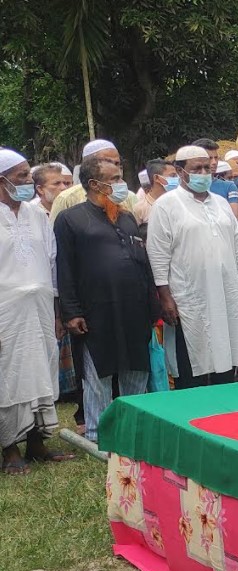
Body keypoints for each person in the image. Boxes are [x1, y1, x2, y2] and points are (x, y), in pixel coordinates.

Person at [55, 157, 159, 441]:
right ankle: (97, 434)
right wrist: (71, 312)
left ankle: (134, 428)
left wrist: (153, 306)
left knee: (136, 370)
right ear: (93, 184)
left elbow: (142, 263)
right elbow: (64, 268)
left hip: (134, 310)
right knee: (98, 375)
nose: (120, 184)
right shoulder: (71, 219)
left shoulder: (126, 217)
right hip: (96, 311)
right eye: (113, 179)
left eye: (119, 177)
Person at [147, 145, 238, 389]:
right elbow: (158, 254)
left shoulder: (221, 203)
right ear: (181, 171)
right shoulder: (166, 206)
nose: (204, 172)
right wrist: (165, 297)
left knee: (226, 354)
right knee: (191, 359)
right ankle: (192, 413)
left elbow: (236, 246)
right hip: (189, 296)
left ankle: (224, 407)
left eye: (207, 167)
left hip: (225, 291)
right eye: (197, 168)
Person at [0, 149, 73, 474]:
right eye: (21, 176)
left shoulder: (35, 214)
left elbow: (52, 262)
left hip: (41, 308)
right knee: (10, 376)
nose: (29, 181)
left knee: (42, 371)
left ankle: (37, 442)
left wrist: (57, 310)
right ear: (3, 181)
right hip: (6, 312)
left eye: (29, 174)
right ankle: (9, 449)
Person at [50, 140, 139, 223]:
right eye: (108, 162)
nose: (114, 168)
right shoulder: (66, 199)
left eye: (117, 163)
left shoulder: (129, 197)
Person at [192, 139, 238, 219]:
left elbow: (235, 219)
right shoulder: (185, 187)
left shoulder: (228, 187)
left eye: (216, 158)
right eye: (209, 158)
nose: (214, 162)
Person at [133, 158, 179, 234]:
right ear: (157, 178)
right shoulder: (140, 208)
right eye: (173, 176)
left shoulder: (180, 202)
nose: (177, 179)